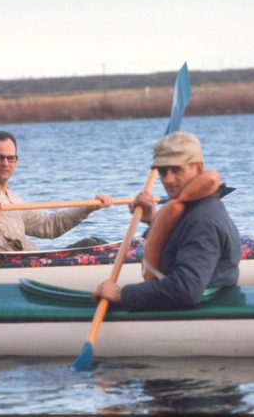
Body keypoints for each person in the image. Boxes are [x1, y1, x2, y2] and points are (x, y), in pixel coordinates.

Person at [92, 131, 240, 311]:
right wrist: (152, 221)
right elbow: (180, 243)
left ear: (199, 168)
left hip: (204, 312)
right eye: (162, 172)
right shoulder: (199, 208)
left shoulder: (203, 221)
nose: (168, 179)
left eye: (176, 169)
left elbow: (186, 290)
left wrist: (121, 295)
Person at [0, 130, 113, 259]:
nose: (5, 163)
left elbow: (50, 226)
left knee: (95, 243)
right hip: (16, 269)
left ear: (16, 162)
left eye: (10, 158)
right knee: (95, 247)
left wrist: (88, 207)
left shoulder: (13, 198)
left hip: (33, 262)